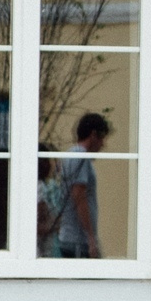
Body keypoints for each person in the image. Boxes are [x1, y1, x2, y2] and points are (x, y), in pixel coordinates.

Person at [46, 111, 111, 259]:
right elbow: (79, 195)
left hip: (76, 239)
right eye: (102, 138)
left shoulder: (74, 156)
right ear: (93, 135)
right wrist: (91, 238)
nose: (102, 144)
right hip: (77, 241)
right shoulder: (79, 156)